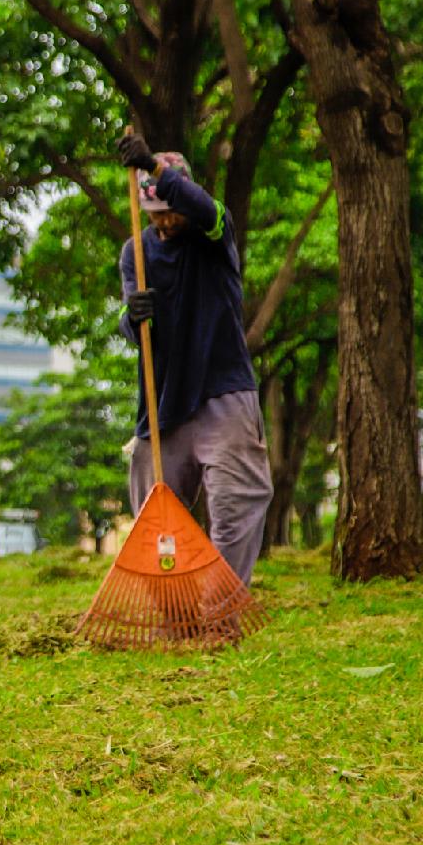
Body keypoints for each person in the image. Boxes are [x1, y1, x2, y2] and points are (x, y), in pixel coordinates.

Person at [116, 131, 273, 585]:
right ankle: (173, 606)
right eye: (155, 216)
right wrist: (132, 316)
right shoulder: (136, 252)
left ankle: (221, 603)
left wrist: (154, 168)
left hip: (222, 391)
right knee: (153, 509)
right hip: (164, 399)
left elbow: (202, 207)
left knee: (235, 501)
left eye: (170, 213)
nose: (164, 223)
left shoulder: (213, 235)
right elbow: (132, 326)